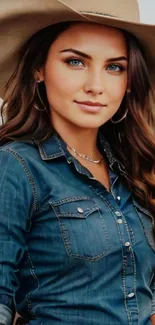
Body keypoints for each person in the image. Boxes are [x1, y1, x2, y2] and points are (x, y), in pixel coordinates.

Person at [0, 0, 155, 324]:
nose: (96, 87)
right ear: (38, 68)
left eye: (115, 67)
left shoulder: (134, 170)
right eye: (75, 61)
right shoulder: (15, 167)